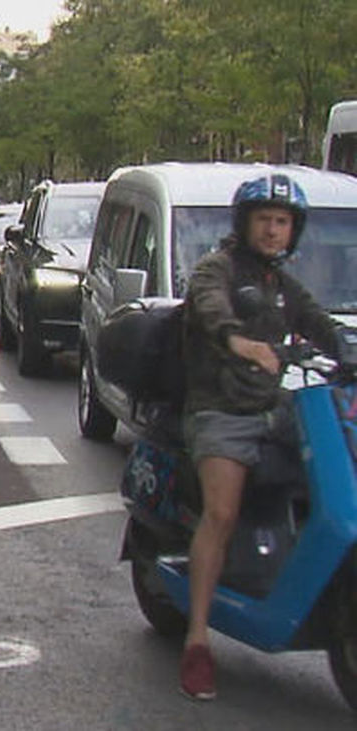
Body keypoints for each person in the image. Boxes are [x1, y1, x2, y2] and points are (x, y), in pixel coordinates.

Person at [179, 173, 339, 700]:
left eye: (283, 222)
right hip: (221, 410)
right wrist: (239, 341)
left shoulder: (281, 285)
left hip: (273, 407)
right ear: (245, 223)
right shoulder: (217, 270)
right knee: (222, 513)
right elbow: (209, 308)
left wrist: (345, 348)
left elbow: (319, 322)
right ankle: (198, 641)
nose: (273, 231)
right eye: (265, 220)